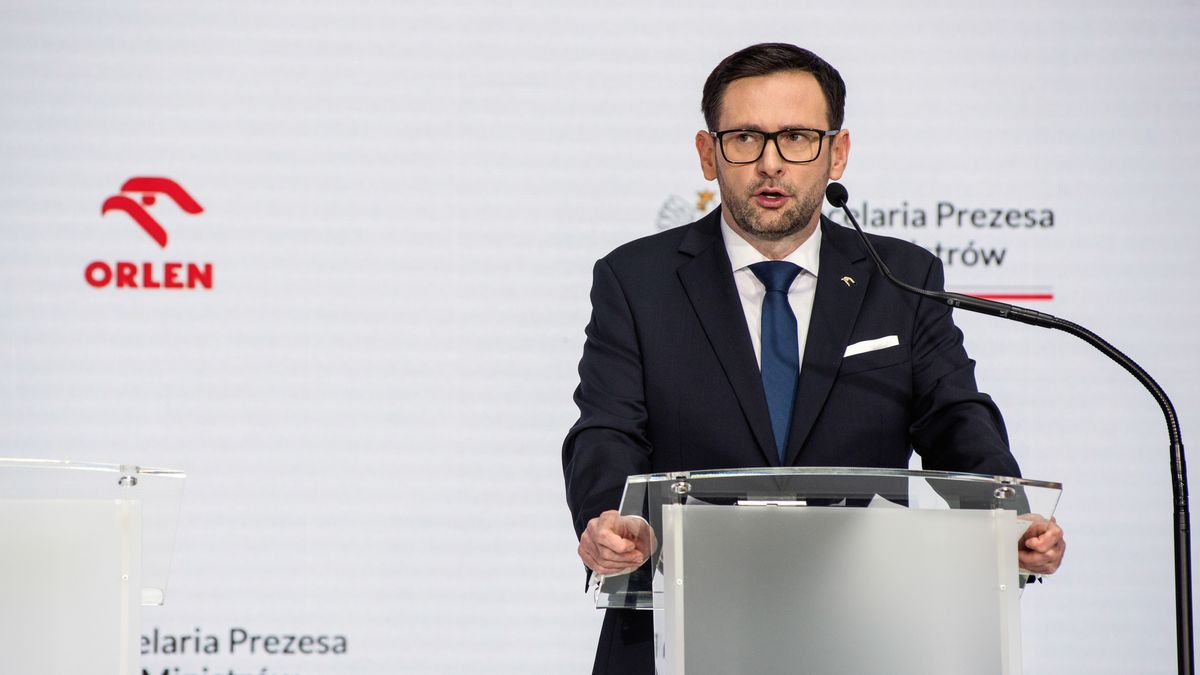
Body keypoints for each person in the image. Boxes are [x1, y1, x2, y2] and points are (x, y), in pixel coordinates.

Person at [562, 43, 1065, 675]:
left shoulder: (901, 278)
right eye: (745, 138)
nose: (770, 164)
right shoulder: (636, 280)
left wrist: (1009, 519)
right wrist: (612, 519)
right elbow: (606, 428)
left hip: (865, 628)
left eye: (797, 137)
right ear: (707, 152)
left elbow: (956, 418)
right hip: (677, 626)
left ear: (837, 152)